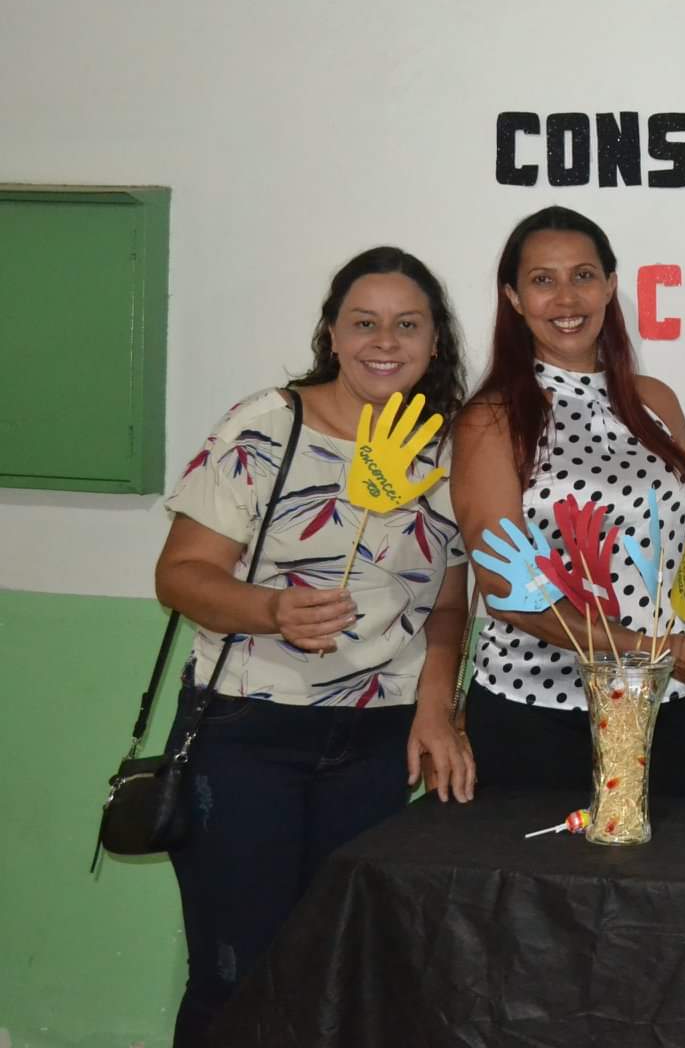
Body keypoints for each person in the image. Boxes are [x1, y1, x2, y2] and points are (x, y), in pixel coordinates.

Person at [154, 247, 473, 1047]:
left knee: (342, 975)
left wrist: (437, 703)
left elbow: (448, 599)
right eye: (364, 323)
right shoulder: (267, 426)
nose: (385, 342)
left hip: (378, 742)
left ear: (435, 340)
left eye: (407, 325)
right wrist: (272, 609)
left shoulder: (445, 450)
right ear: (332, 333)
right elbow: (180, 575)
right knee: (239, 976)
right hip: (248, 732)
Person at [452, 205, 685, 795]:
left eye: (583, 276)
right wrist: (661, 653)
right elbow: (506, 592)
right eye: (543, 280)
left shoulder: (655, 401)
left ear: (611, 285)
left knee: (669, 859)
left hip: (662, 708)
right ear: (514, 297)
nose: (567, 298)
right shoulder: (491, 419)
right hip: (540, 714)